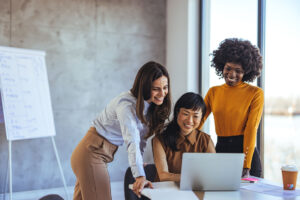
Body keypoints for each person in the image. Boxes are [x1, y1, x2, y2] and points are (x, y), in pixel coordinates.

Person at [70, 61, 171, 200]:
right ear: (145, 86)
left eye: (165, 87)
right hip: (91, 153)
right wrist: (140, 176)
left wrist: (139, 163)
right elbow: (132, 140)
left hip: (95, 154)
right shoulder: (126, 105)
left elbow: (141, 138)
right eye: (156, 89)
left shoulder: (149, 105)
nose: (162, 93)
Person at [199, 38, 264, 178]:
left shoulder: (255, 94)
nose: (231, 74)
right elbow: (198, 121)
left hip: (246, 153)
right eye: (228, 68)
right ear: (222, 65)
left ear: (246, 72)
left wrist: (246, 165)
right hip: (221, 150)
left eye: (238, 71)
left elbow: (251, 128)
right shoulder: (213, 92)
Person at [152, 92, 216, 182]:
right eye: (186, 114)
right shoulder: (159, 140)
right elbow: (163, 175)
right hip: (166, 191)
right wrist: (194, 178)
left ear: (201, 118)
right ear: (177, 112)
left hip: (195, 192)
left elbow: (213, 172)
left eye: (196, 116)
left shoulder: (206, 140)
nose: (190, 120)